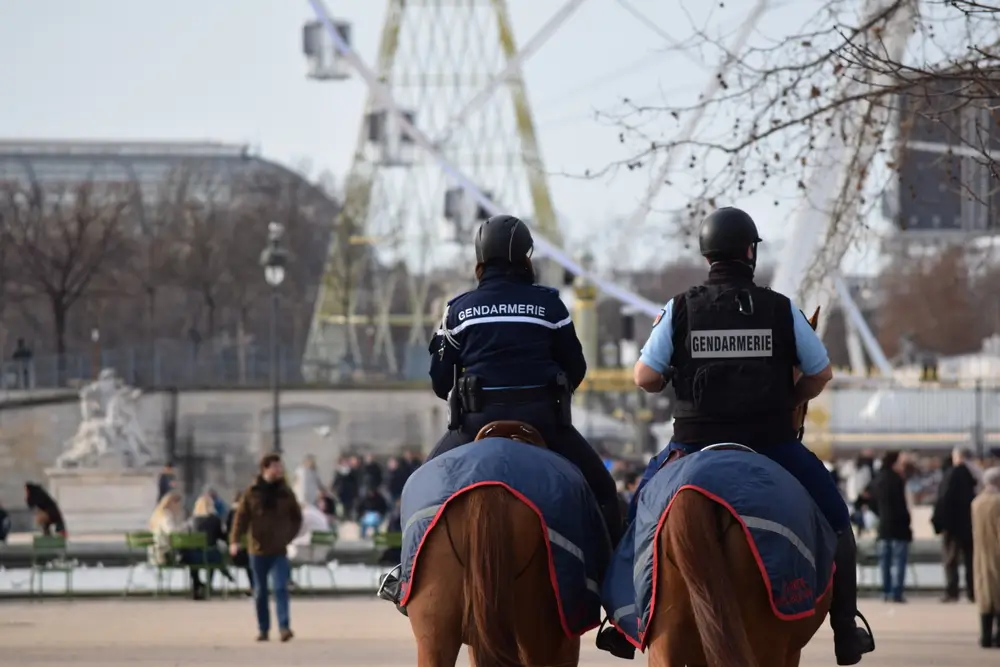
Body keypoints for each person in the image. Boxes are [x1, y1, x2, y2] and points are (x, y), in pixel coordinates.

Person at [601, 208, 874, 665]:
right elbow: (820, 372)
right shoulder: (780, 308)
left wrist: (673, 373)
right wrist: (792, 394)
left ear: (708, 254)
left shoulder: (680, 307)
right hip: (771, 443)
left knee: (637, 519)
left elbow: (645, 376)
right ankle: (845, 625)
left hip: (690, 445)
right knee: (836, 516)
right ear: (750, 252)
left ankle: (624, 623)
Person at [378, 214, 622, 602]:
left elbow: (441, 381)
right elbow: (576, 368)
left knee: (417, 489)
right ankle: (614, 587)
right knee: (605, 492)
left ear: (479, 261)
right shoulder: (551, 306)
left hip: (474, 422)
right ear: (527, 259)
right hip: (545, 422)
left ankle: (406, 577)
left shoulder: (458, 310)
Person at [229, 453, 303, 643]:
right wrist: (235, 540)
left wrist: (288, 536)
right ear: (265, 469)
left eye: (281, 467)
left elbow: (297, 517)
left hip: (279, 549)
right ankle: (263, 629)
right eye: (276, 467)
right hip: (257, 549)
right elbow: (241, 518)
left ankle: (284, 627)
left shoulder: (286, 492)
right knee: (260, 591)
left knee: (280, 588)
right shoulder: (252, 492)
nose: (280, 470)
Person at [932, 447, 978, 602]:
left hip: (952, 526)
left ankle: (952, 591)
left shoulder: (950, 475)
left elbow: (943, 499)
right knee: (970, 560)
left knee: (951, 560)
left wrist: (938, 522)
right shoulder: (972, 475)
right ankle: (973, 592)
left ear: (957, 457)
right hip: (969, 525)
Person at [868, 451, 912, 603]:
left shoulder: (878, 479)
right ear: (894, 463)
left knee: (884, 563)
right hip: (898, 527)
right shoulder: (897, 480)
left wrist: (880, 514)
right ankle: (896, 592)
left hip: (884, 526)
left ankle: (886, 591)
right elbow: (901, 505)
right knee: (899, 561)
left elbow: (870, 502)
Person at [971, 466, 1000, 648]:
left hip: (980, 553)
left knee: (984, 595)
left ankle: (985, 636)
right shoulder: (998, 502)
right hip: (997, 553)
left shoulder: (976, 502)